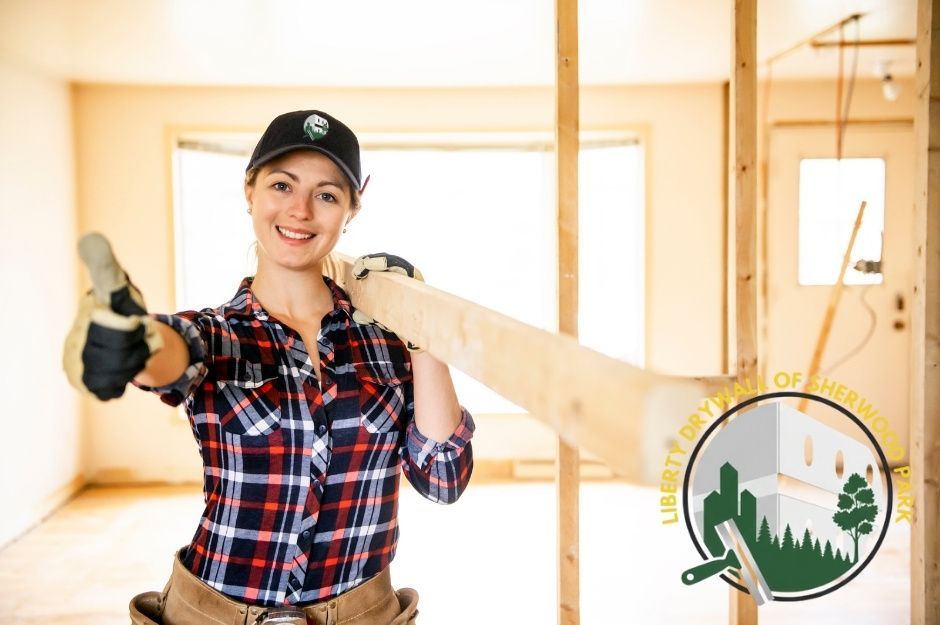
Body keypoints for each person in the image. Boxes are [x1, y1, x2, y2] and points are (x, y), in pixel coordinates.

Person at [66, 110, 475, 625]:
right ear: (250, 191)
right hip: (214, 612)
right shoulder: (220, 335)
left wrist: (423, 324)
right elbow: (171, 353)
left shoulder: (387, 343)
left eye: (326, 194)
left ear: (352, 207)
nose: (300, 210)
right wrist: (137, 343)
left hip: (362, 614)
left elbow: (444, 480)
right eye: (282, 185)